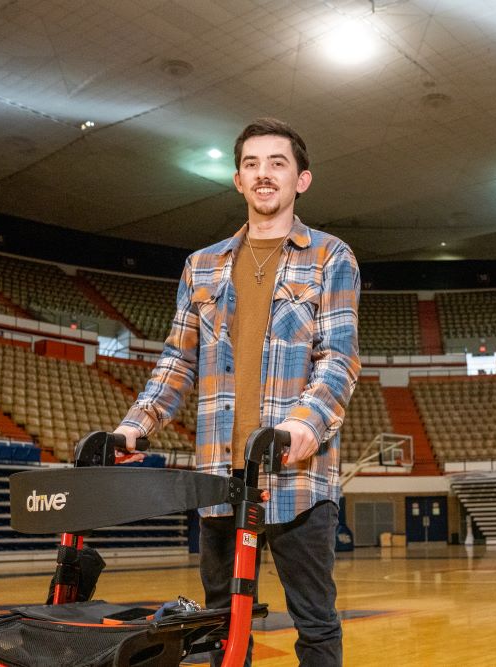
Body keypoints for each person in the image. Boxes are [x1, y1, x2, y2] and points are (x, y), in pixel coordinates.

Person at [114, 117, 360, 666]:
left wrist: (304, 423)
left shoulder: (331, 256)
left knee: (315, 623)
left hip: (298, 477)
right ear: (238, 180)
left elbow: (338, 357)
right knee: (223, 627)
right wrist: (136, 425)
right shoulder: (201, 266)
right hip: (219, 477)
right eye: (252, 164)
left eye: (277, 163)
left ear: (301, 179)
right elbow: (177, 359)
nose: (263, 174)